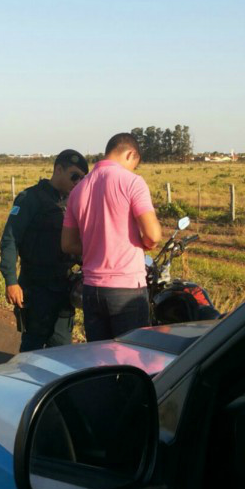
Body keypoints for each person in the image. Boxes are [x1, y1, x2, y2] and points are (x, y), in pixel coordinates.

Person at [61, 133, 162, 341]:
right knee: (131, 358)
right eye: (135, 163)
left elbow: (68, 243)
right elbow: (153, 235)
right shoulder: (133, 182)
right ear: (130, 154)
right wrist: (143, 244)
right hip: (126, 289)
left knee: (100, 360)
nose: (133, 169)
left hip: (91, 290)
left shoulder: (78, 189)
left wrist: (95, 246)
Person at [0, 149, 89, 352]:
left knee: (63, 349)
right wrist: (11, 281)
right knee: (32, 348)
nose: (78, 182)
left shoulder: (73, 203)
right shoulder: (30, 199)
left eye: (82, 179)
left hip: (64, 288)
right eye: (74, 176)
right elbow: (10, 240)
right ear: (58, 169)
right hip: (36, 287)